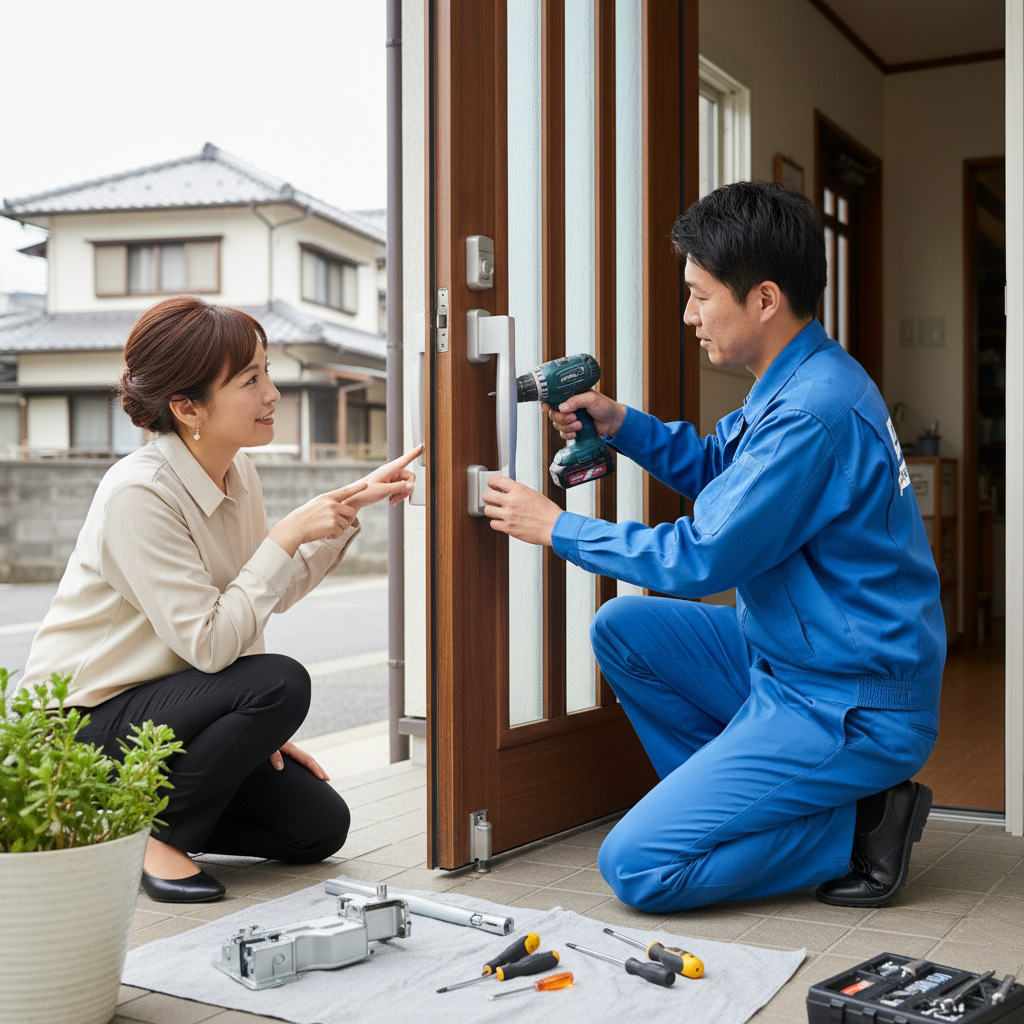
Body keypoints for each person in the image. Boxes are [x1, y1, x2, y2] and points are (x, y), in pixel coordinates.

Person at [482, 181, 945, 913]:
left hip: (850, 698)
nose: (689, 315)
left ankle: (859, 825)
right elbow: (716, 471)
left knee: (637, 868)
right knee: (624, 631)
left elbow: (702, 559)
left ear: (763, 298)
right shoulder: (793, 379)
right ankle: (747, 809)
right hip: (796, 659)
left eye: (701, 296)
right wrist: (621, 420)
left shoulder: (810, 414)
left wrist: (555, 527)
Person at [21, 295, 421, 904]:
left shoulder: (237, 473)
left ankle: (108, 821)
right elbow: (211, 645)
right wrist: (285, 536)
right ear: (187, 407)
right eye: (250, 379)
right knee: (281, 681)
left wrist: (349, 509)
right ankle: (148, 838)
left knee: (316, 826)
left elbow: (262, 597)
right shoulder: (139, 493)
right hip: (82, 725)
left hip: (164, 716)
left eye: (267, 372)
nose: (272, 394)